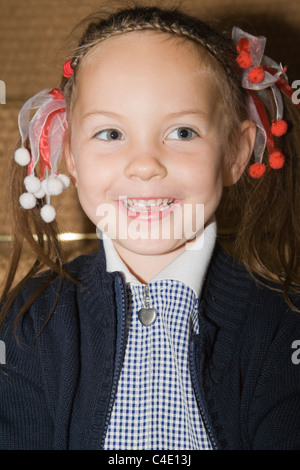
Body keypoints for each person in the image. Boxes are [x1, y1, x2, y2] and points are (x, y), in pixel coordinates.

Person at [0, 4, 300, 450]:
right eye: (111, 134)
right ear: (71, 157)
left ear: (237, 153)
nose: (144, 165)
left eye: (181, 132)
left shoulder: (281, 326)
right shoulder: (32, 319)